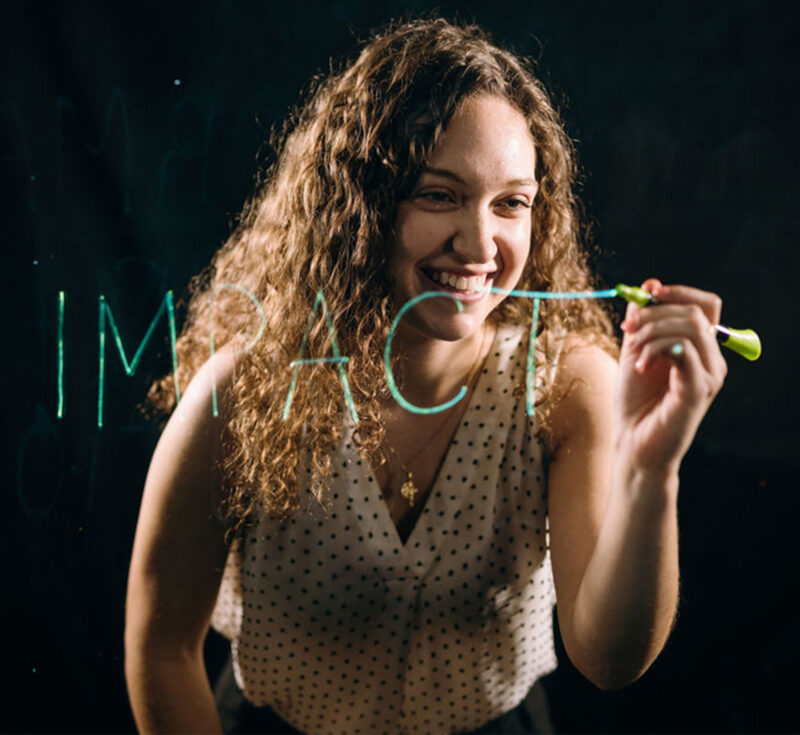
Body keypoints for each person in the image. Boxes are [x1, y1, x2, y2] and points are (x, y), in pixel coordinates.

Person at [124, 17, 727, 735]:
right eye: (439, 195)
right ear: (358, 205)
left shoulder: (567, 388)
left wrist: (652, 469)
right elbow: (161, 646)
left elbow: (607, 657)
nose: (479, 245)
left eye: (511, 203)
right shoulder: (243, 392)